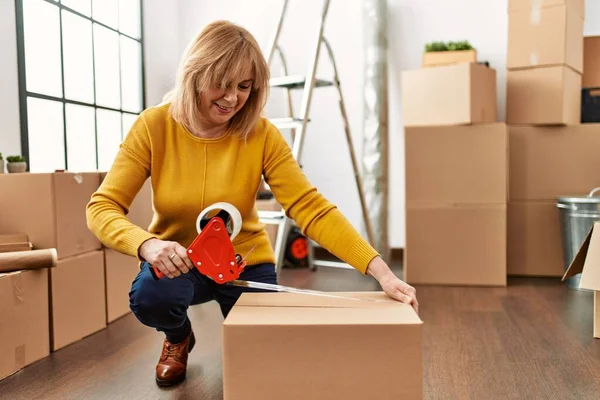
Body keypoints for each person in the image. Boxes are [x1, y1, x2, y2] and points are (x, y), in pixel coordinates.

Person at [86, 20, 418, 388]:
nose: (233, 98)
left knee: (268, 364)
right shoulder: (153, 126)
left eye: (244, 87)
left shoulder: (262, 134)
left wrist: (379, 271)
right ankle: (178, 337)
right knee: (151, 295)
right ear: (195, 74)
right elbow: (101, 207)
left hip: (243, 264)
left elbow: (310, 207)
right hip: (181, 262)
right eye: (222, 84)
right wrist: (147, 245)